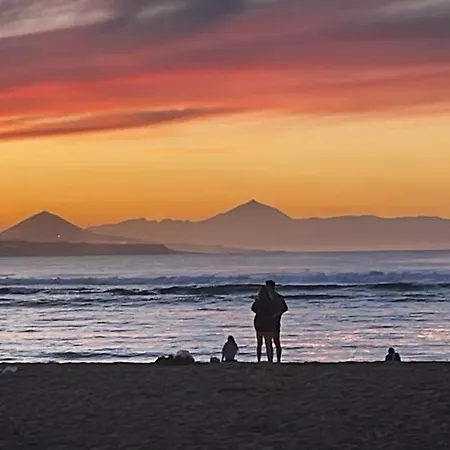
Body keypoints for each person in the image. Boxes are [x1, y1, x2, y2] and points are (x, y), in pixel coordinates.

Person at [251, 285, 276, 363]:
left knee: (259, 343)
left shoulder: (258, 301)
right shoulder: (271, 302)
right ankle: (270, 359)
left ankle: (259, 359)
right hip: (268, 323)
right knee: (268, 343)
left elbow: (253, 309)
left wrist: (258, 312)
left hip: (259, 323)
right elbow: (274, 311)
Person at [266, 280, 288, 363]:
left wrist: (277, 314)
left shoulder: (277, 297)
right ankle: (270, 360)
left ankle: (278, 359)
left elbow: (285, 308)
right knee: (269, 342)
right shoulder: (266, 298)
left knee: (276, 341)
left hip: (275, 321)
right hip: (267, 321)